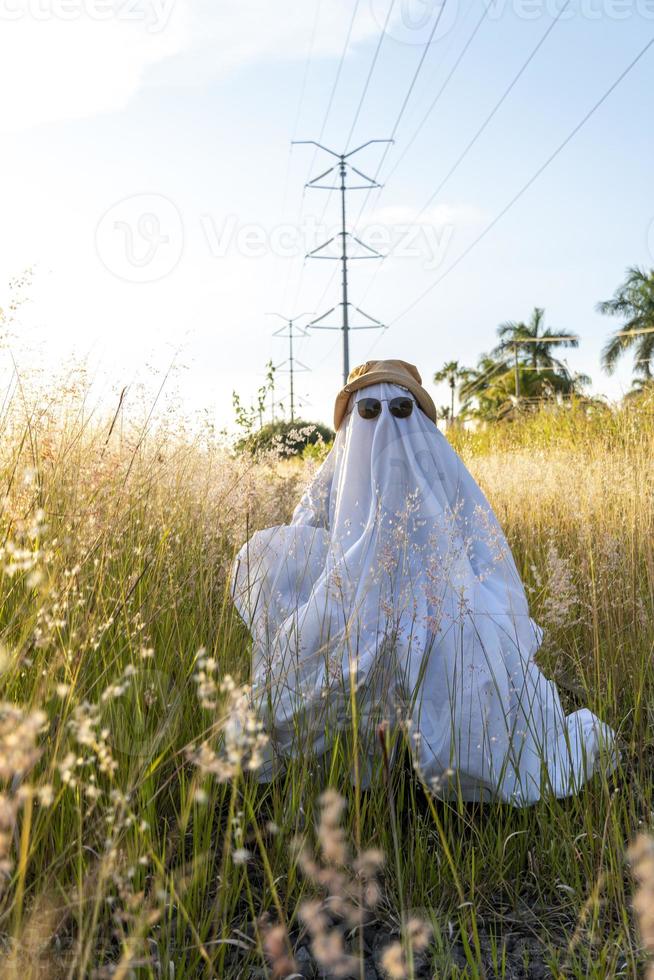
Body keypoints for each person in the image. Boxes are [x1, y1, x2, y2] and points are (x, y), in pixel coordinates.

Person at [231, 359, 615, 804]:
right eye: (370, 410)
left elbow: (481, 550)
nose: (387, 425)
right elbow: (303, 535)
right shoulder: (337, 478)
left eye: (401, 410)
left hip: (438, 601)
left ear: (419, 420)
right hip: (349, 599)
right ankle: (360, 766)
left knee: (451, 641)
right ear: (353, 420)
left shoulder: (442, 473)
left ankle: (430, 765)